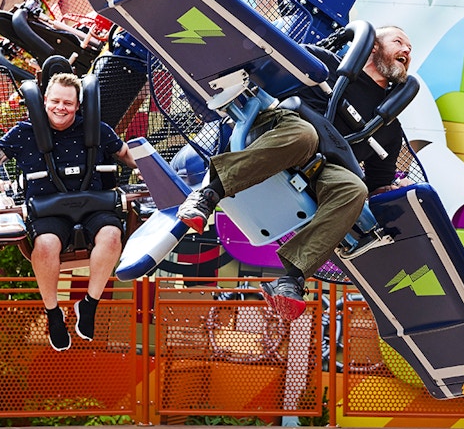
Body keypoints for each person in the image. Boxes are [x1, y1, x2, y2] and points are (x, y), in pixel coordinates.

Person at [175, 26, 413, 319]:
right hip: (282, 129)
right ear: (373, 47)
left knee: (353, 188)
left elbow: (377, 184)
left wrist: (391, 194)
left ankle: (291, 279)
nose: (406, 52)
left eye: (410, 50)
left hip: (321, 166)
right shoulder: (327, 63)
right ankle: (208, 195)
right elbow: (268, 68)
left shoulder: (388, 126)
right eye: (399, 42)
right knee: (306, 134)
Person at [0, 72, 137, 351]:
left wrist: (148, 167)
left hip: (94, 206)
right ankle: (53, 313)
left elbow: (125, 153)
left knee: (112, 237)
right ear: (44, 102)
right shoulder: (24, 132)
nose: (60, 108)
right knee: (46, 246)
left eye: (68, 103)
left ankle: (89, 305)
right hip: (48, 211)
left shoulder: (97, 129)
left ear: (78, 105)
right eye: (55, 101)